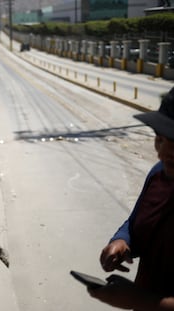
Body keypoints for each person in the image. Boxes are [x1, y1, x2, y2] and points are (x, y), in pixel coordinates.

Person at [88, 87, 174, 310]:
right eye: (160, 139)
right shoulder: (159, 174)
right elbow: (136, 222)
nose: (164, 153)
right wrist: (122, 242)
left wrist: (141, 301)